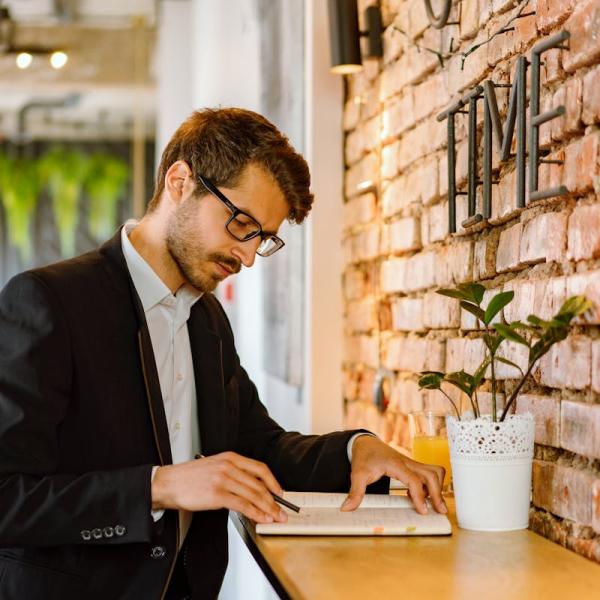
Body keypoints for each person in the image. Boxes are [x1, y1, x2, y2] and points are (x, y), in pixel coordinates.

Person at [0, 107, 447, 600]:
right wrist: (158, 486)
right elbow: (7, 498)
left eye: (264, 238)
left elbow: (260, 447)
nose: (250, 255)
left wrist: (357, 448)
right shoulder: (49, 301)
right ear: (179, 181)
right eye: (241, 224)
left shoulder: (208, 320)